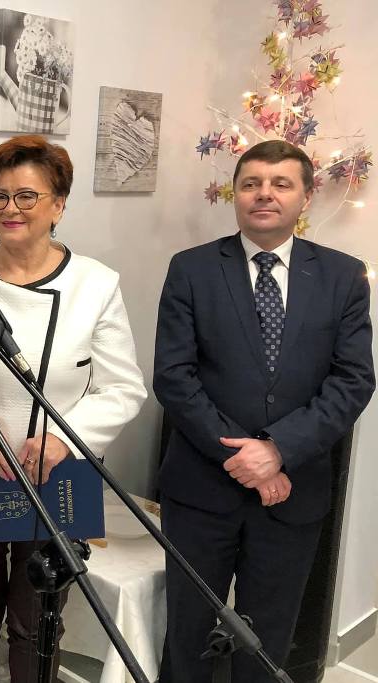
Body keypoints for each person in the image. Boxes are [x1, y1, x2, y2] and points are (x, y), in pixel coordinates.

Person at [154, 139, 375, 683]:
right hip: (201, 492)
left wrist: (277, 451)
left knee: (267, 643)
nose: (264, 194)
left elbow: (353, 380)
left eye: (281, 184)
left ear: (306, 197)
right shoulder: (191, 269)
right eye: (251, 183)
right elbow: (174, 378)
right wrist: (245, 459)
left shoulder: (344, 276)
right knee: (187, 634)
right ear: (236, 193)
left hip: (292, 494)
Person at [0, 134, 147, 682]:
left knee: (38, 620)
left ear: (59, 204)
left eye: (27, 196)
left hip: (56, 474)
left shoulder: (94, 285)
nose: (11, 209)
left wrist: (62, 441)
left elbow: (123, 389)